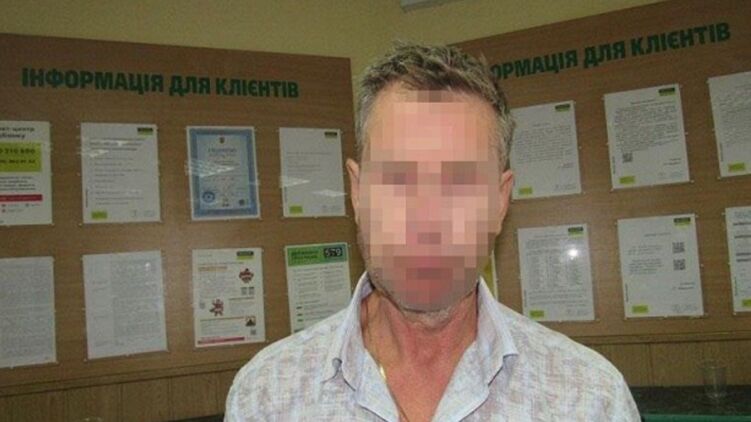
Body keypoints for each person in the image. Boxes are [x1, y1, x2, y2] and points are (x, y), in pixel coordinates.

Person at [225, 42, 640, 421]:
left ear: (500, 203)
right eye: (399, 178)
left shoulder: (589, 400)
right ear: (357, 193)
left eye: (459, 181)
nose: (426, 216)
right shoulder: (267, 397)